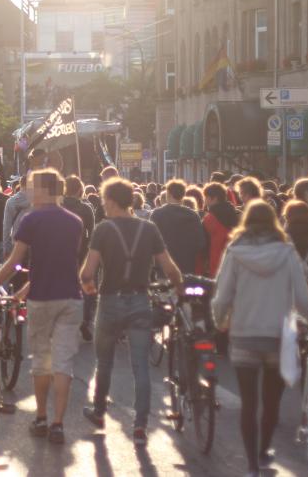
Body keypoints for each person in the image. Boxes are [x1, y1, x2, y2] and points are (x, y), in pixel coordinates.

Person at [0, 169, 84, 444]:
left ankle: (41, 417)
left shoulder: (31, 220)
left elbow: (14, 262)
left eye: (34, 188)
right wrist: (26, 289)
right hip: (71, 297)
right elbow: (62, 264)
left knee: (42, 361)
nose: (30, 193)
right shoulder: (75, 222)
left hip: (43, 300)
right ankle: (59, 424)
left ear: (45, 190)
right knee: (63, 363)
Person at [212, 200, 308, 476]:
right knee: (271, 401)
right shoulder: (287, 253)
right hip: (278, 336)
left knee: (249, 403)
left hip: (244, 334)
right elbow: (302, 296)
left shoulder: (235, 253)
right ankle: (264, 450)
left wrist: (220, 320)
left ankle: (251, 465)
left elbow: (222, 295)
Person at [80, 177, 183, 445]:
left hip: (110, 300)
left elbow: (87, 272)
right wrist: (178, 289)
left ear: (111, 201)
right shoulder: (149, 229)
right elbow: (169, 268)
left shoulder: (103, 230)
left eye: (104, 201)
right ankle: (140, 426)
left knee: (104, 363)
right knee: (141, 366)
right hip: (140, 301)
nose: (102, 205)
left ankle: (100, 412)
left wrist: (89, 285)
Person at [61, 175, 96, 341]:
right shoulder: (86, 209)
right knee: (85, 287)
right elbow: (92, 232)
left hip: (60, 252)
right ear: (80, 190)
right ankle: (85, 319)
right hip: (81, 253)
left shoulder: (58, 205)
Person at [150, 179, 205, 276]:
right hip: (187, 267)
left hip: (164, 269)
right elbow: (200, 243)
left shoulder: (157, 214)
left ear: (168, 193)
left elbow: (150, 242)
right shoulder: (193, 215)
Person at [201, 182, 239, 278]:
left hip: (215, 263)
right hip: (235, 261)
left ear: (214, 198)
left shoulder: (209, 219)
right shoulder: (236, 214)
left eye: (206, 198)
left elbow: (203, 244)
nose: (205, 201)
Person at [2, 175, 30, 256]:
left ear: (20, 184)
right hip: (35, 244)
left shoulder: (11, 202)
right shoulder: (38, 202)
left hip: (17, 243)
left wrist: (6, 248)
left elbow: (6, 227)